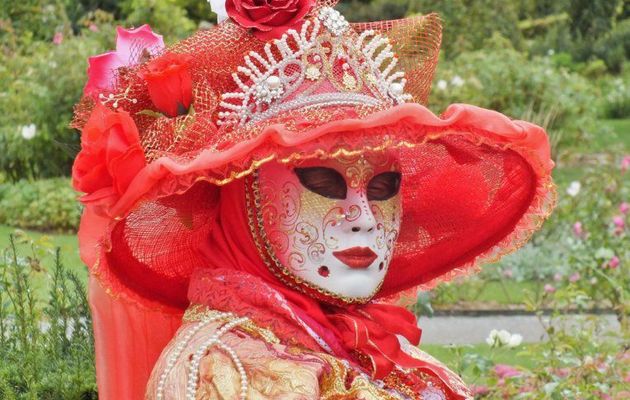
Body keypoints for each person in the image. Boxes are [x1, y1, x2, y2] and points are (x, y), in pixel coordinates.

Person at [71, 1, 555, 399]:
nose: (364, 218)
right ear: (246, 193)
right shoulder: (224, 371)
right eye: (325, 185)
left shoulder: (378, 348)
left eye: (383, 188)